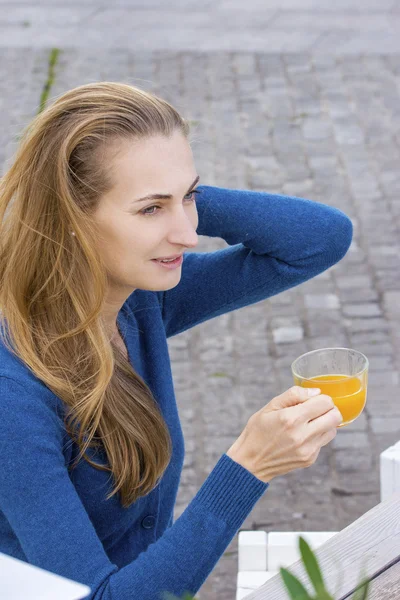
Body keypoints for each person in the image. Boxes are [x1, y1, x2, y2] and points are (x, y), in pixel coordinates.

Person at [0, 82, 350, 600]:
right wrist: (250, 466)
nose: (188, 234)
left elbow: (319, 239)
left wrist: (167, 191)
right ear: (70, 217)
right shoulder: (13, 394)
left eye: (190, 197)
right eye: (150, 210)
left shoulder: (138, 299)